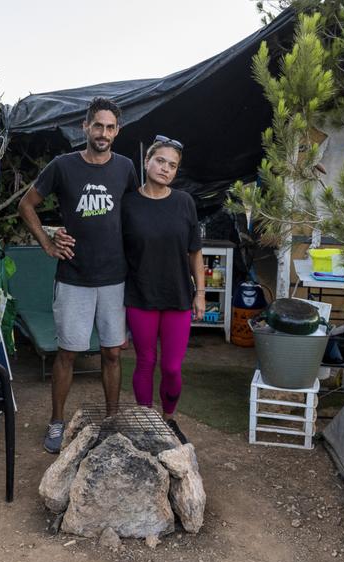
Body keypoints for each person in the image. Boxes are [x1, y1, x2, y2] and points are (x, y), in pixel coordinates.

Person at [17, 97, 139, 453]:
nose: (103, 133)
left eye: (110, 127)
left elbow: (136, 214)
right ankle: (56, 422)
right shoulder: (63, 166)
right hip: (73, 277)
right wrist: (47, 240)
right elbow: (26, 204)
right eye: (97, 125)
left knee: (112, 353)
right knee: (67, 353)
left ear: (117, 131)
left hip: (115, 278)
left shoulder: (127, 168)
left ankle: (112, 420)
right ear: (85, 127)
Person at [121, 135, 205, 444]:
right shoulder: (127, 203)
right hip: (140, 296)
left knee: (171, 367)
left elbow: (194, 251)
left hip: (178, 296)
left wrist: (200, 293)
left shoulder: (184, 202)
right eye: (160, 161)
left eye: (172, 165)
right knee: (145, 361)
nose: (165, 168)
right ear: (146, 161)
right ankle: (145, 418)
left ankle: (168, 419)